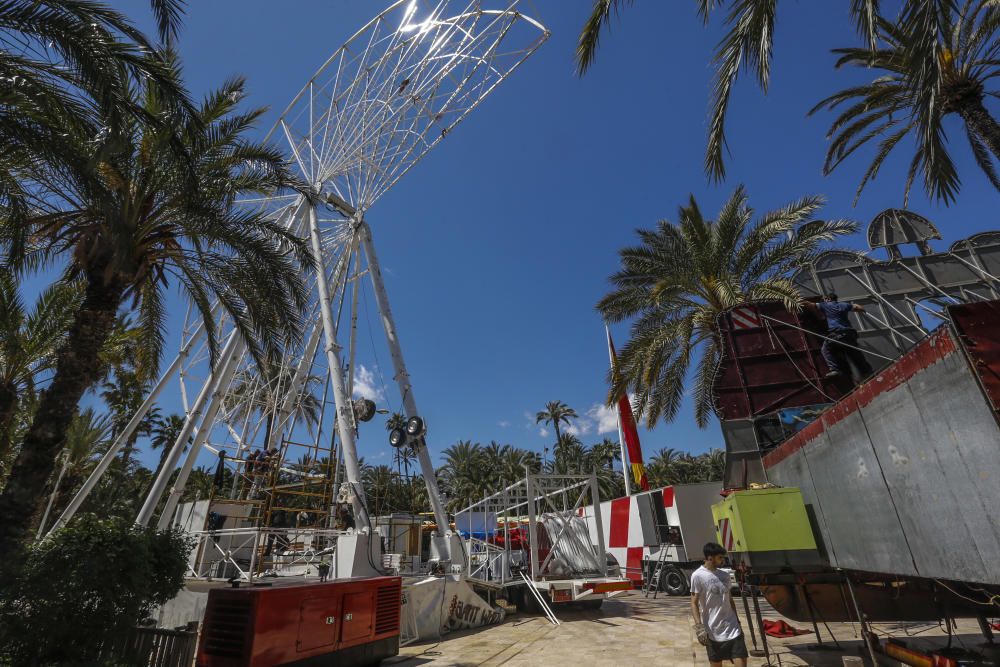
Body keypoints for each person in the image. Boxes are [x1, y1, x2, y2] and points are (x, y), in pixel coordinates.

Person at [691, 542, 748, 667]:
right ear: (710, 557)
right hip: (712, 631)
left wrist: (737, 621)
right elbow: (694, 603)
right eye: (720, 557)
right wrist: (699, 628)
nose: (723, 560)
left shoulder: (725, 575)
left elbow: (730, 599)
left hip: (733, 629)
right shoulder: (698, 576)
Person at [812, 292, 874, 380]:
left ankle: (834, 369)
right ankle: (867, 371)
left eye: (825, 299)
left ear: (828, 299)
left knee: (826, 349)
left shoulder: (826, 305)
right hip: (849, 333)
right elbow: (858, 307)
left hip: (837, 334)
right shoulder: (843, 305)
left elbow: (811, 305)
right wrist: (862, 309)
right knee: (854, 353)